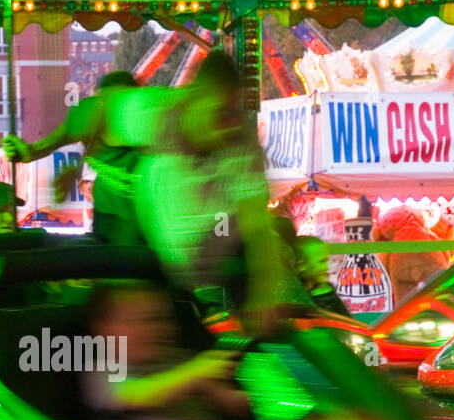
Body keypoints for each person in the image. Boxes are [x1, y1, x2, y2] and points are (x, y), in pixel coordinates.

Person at [37, 53, 287, 334]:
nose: (224, 128)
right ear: (195, 96)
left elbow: (258, 227)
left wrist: (264, 297)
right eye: (217, 114)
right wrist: (47, 153)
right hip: (154, 244)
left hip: (210, 249)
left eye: (230, 115)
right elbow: (88, 114)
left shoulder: (240, 138)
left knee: (265, 246)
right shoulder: (155, 110)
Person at [80, 280, 249, 420]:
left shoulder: (176, 360)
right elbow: (137, 395)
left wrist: (262, 394)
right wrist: (195, 372)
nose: (154, 329)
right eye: (139, 320)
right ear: (103, 329)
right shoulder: (102, 370)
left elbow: (231, 402)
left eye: (161, 320)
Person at [3, 70, 143, 246]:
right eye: (104, 101)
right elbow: (38, 149)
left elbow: (39, 149)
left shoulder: (146, 123)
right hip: (109, 212)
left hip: (136, 214)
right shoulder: (86, 116)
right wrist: (22, 151)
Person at [288, 235, 351, 317]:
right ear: (301, 266)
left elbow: (345, 318)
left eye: (327, 260)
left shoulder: (325, 288)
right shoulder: (294, 295)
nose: (327, 267)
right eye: (322, 261)